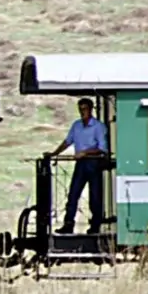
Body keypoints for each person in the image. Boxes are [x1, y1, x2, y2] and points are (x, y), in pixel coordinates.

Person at [44, 97, 109, 234]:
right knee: (73, 194)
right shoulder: (76, 125)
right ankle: (68, 224)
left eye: (84, 109)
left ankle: (95, 226)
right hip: (81, 164)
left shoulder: (98, 126)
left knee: (95, 196)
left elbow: (102, 148)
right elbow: (68, 141)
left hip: (93, 162)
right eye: (80, 109)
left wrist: (85, 152)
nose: (82, 112)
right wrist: (54, 153)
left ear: (90, 110)